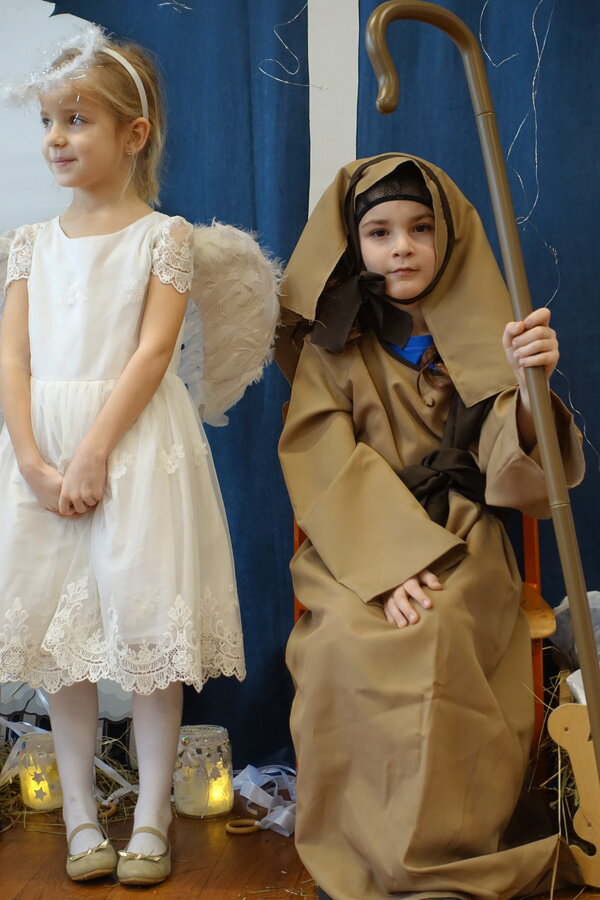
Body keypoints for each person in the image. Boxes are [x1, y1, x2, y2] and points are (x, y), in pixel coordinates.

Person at [277, 153, 585, 900]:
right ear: (354, 244)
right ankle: (364, 849)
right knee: (343, 642)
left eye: (421, 228)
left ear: (448, 238)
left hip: (465, 535)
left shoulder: (482, 340)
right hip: (355, 544)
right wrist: (386, 563)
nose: (403, 248)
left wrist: (528, 388)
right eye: (380, 232)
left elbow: (516, 468)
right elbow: (319, 455)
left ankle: (441, 854)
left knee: (440, 632)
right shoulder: (334, 347)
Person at [0, 28, 264, 885]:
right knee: (61, 643)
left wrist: (92, 454)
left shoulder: (164, 237)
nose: (56, 138)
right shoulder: (28, 244)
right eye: (48, 121)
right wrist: (32, 459)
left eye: (77, 120)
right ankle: (82, 817)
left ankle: (151, 816)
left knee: (149, 629)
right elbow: (13, 359)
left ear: (133, 133)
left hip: (135, 448)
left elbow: (152, 355)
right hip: (43, 451)